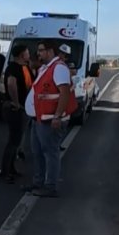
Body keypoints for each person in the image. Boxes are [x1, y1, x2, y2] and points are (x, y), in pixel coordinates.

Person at [24, 41, 76, 197]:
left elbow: (64, 93)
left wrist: (57, 116)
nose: (38, 53)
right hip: (39, 118)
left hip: (49, 119)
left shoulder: (58, 68)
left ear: (50, 51)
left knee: (50, 153)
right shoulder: (45, 68)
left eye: (41, 50)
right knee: (38, 152)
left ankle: (50, 186)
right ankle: (38, 182)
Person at [0, 43, 32, 182]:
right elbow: (12, 84)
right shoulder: (13, 68)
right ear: (21, 55)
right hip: (14, 108)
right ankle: (5, 172)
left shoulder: (25, 67)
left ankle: (11, 169)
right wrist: (16, 102)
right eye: (27, 52)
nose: (29, 54)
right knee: (13, 141)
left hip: (23, 108)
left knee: (17, 141)